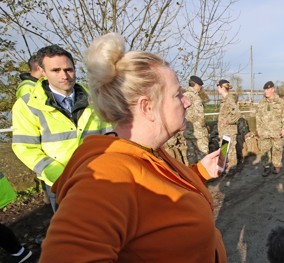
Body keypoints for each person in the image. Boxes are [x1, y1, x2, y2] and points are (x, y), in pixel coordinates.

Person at [39, 32, 227, 262]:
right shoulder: (106, 177)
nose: (187, 102)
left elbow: (156, 194)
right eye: (177, 95)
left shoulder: (146, 151)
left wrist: (199, 172)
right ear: (147, 107)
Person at [11, 44, 111, 212]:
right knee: (73, 232)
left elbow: (110, 136)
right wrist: (59, 174)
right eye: (56, 70)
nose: (64, 76)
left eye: (68, 69)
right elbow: (25, 147)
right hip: (59, 182)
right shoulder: (27, 105)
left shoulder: (95, 99)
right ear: (43, 72)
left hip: (100, 178)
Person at [256, 81, 284, 177]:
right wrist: (258, 129)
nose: (265, 91)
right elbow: (258, 117)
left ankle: (276, 166)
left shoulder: (281, 102)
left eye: (267, 89)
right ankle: (266, 168)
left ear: (272, 90)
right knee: (264, 151)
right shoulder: (261, 103)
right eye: (264, 89)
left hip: (276, 131)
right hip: (264, 132)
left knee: (277, 150)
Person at [183, 75, 209, 164]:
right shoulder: (196, 98)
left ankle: (192, 176)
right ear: (196, 85)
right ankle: (204, 177)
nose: (200, 88)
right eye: (200, 86)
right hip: (198, 133)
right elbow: (201, 117)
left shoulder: (183, 96)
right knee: (203, 156)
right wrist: (204, 129)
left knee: (191, 157)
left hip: (187, 132)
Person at [217, 79, 240, 175]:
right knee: (224, 150)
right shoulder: (224, 99)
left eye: (218, 86)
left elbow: (237, 114)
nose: (217, 89)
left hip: (229, 131)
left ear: (222, 87)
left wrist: (228, 121)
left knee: (230, 151)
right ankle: (224, 169)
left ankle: (232, 170)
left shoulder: (229, 99)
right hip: (224, 131)